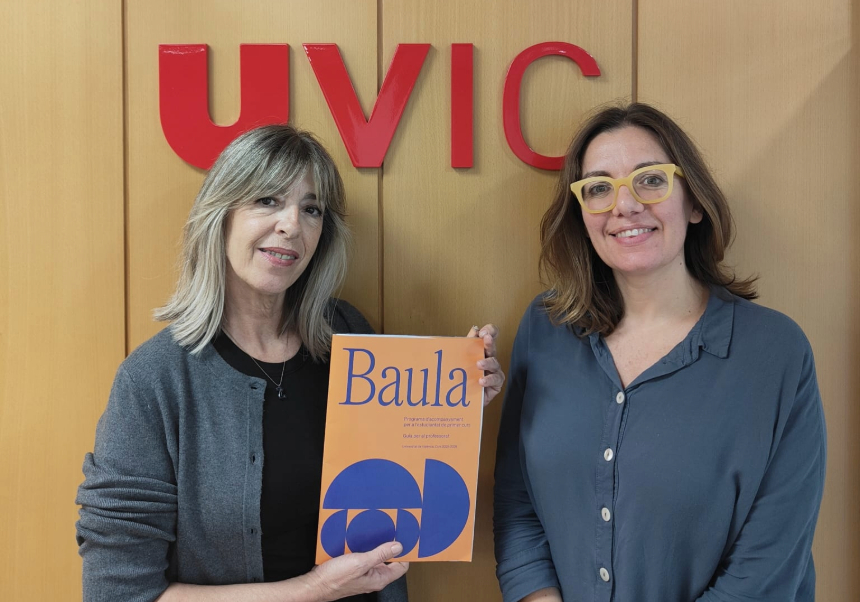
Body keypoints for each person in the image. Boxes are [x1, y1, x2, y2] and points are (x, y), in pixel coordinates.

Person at [76, 124, 505, 602]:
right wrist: (315, 589)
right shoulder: (155, 380)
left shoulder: (349, 337)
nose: (291, 225)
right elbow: (118, 593)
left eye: (311, 209)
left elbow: (394, 479)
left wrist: (454, 403)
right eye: (267, 200)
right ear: (220, 214)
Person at [493, 103, 826, 602]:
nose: (624, 206)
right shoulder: (545, 328)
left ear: (694, 202)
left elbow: (768, 563)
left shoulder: (776, 352)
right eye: (599, 188)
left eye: (651, 180)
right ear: (582, 214)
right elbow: (517, 502)